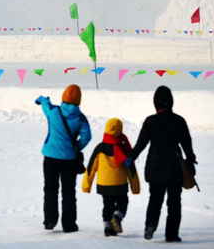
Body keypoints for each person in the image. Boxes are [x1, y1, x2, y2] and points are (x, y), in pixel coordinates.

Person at [128, 86, 196, 242]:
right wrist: (191, 160)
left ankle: (150, 226)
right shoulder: (179, 121)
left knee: (155, 200)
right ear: (171, 102)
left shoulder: (150, 121)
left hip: (155, 167)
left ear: (156, 103)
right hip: (174, 168)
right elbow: (187, 143)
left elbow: (141, 143)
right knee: (174, 203)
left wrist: (131, 157)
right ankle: (171, 234)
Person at [36, 84, 92, 233]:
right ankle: (69, 225)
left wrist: (41, 99)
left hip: (50, 157)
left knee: (50, 189)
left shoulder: (54, 112)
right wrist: (76, 148)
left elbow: (45, 104)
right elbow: (87, 136)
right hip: (69, 160)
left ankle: (50, 220)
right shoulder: (80, 118)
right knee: (68, 192)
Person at [82, 118, 141, 237]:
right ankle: (117, 216)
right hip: (120, 184)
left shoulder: (100, 148)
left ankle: (108, 229)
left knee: (107, 205)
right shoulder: (123, 148)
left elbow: (91, 167)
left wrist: (86, 185)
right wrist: (135, 187)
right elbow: (131, 169)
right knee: (123, 201)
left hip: (104, 185)